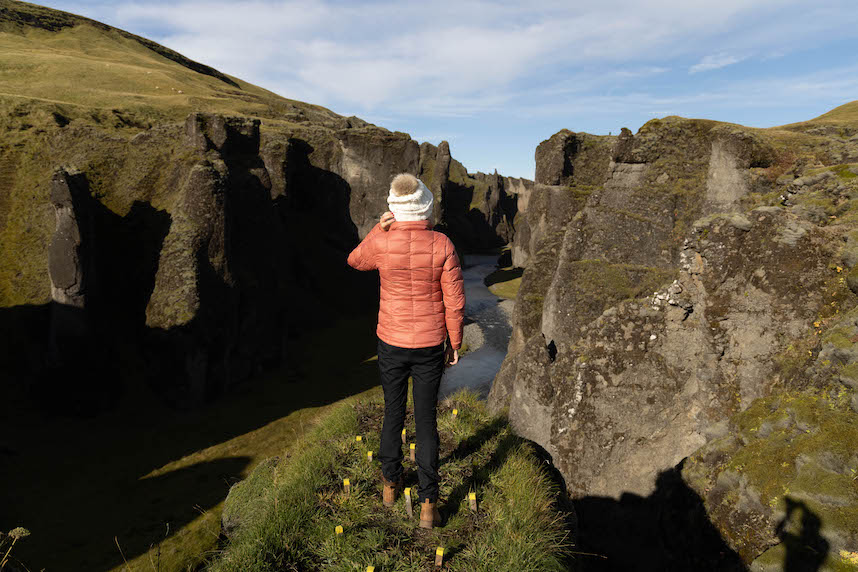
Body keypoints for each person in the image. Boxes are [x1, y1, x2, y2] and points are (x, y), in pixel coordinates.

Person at [347, 173, 465, 529]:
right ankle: (429, 503)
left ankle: (390, 484)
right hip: (430, 344)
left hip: (391, 342)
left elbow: (355, 260)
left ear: (395, 208)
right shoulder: (442, 243)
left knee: (393, 412)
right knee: (426, 420)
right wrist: (454, 342)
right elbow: (455, 300)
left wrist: (379, 230)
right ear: (426, 205)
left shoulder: (383, 241)